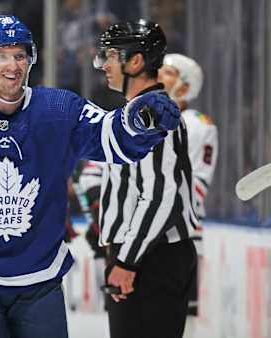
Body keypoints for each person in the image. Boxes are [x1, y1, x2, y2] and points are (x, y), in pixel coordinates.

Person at [0, 15, 181, 338]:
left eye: (19, 55)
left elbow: (113, 138)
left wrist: (140, 120)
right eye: (0, 56)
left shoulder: (59, 109)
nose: (12, 65)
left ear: (31, 59)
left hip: (41, 282)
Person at [94, 20, 198, 338]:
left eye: (111, 56)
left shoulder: (151, 112)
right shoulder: (136, 110)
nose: (104, 65)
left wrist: (127, 261)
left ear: (135, 61)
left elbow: (159, 194)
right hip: (144, 255)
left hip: (152, 259)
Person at [159, 53, 218, 338]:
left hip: (182, 236)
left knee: (182, 319)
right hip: (145, 239)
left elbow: (197, 184)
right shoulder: (144, 118)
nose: (159, 75)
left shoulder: (197, 124)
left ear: (185, 86)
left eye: (168, 72)